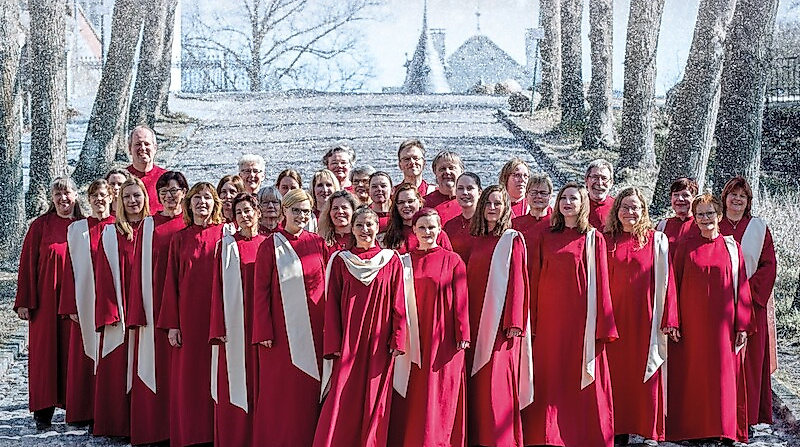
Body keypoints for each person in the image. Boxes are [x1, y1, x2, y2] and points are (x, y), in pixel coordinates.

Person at [522, 182, 617, 447]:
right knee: (549, 374)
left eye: (573, 198)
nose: (567, 202)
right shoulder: (546, 235)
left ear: (582, 203)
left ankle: (580, 434)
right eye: (563, 197)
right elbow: (535, 276)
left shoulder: (593, 238)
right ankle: (545, 434)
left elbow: (602, 282)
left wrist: (604, 324)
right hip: (551, 317)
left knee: (578, 374)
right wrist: (533, 317)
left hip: (581, 320)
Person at [312, 207, 407, 447]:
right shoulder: (341, 261)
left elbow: (399, 302)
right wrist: (332, 345)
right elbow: (331, 304)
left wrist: (397, 339)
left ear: (378, 227)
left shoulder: (391, 260)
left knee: (376, 396)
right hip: (348, 342)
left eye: (369, 224)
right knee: (342, 396)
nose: (365, 230)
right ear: (352, 230)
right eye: (359, 225)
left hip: (379, 341)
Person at [667, 193, 753, 445]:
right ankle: (692, 430)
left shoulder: (731, 247)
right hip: (691, 325)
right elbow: (673, 283)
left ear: (719, 215)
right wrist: (673, 319)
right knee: (692, 374)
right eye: (700, 214)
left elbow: (742, 288)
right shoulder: (685, 246)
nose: (705, 218)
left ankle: (724, 429)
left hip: (722, 325)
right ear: (695, 217)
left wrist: (743, 324)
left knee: (722, 376)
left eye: (710, 213)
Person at [252, 189, 329, 446]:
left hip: (316, 328)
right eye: (295, 210)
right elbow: (260, 291)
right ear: (284, 211)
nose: (301, 215)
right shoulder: (269, 245)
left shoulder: (317, 243)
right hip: (281, 332)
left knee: (310, 389)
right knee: (283, 392)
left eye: (306, 211)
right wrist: (263, 331)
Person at [388, 208, 470, 447]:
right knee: (413, 390)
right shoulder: (402, 262)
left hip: (442, 336)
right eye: (422, 227)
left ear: (440, 229)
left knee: (438, 391)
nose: (427, 232)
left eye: (432, 227)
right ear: (413, 230)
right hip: (412, 334)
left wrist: (462, 333)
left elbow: (461, 300)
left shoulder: (453, 260)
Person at [603, 187, 678, 446]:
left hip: (645, 318)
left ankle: (649, 430)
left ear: (643, 211)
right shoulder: (605, 240)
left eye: (635, 207)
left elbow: (668, 282)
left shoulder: (656, 240)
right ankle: (617, 428)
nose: (630, 212)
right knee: (615, 375)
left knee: (647, 371)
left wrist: (670, 318)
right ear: (617, 210)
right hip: (613, 319)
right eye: (625, 207)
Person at [157, 182, 225, 446]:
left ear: (215, 203)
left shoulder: (224, 234)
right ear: (189, 204)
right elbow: (170, 284)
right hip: (188, 320)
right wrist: (172, 324)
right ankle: (191, 435)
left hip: (218, 318)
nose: (202, 203)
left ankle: (215, 433)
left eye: (207, 198)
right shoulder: (180, 239)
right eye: (197, 198)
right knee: (189, 380)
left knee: (216, 376)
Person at [465, 185, 532, 447]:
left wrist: (514, 321)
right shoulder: (477, 238)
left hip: (501, 323)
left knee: (496, 381)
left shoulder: (512, 238)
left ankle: (499, 438)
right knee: (477, 381)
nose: (492, 208)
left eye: (498, 204)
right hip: (474, 317)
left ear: (506, 208)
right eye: (488, 203)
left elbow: (519, 280)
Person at [15, 176, 84, 430]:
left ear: (76, 196)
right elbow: (27, 264)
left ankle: (77, 407)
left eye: (67, 193)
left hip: (77, 303)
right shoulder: (40, 226)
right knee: (45, 355)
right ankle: (43, 410)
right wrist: (24, 301)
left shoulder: (84, 225)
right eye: (58, 194)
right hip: (46, 302)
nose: (63, 198)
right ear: (51, 198)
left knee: (74, 354)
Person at [126, 171, 189, 446]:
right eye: (164, 192)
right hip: (154, 310)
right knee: (155, 371)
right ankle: (156, 430)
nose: (169, 196)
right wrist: (137, 313)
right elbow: (138, 271)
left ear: (184, 192)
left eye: (174, 191)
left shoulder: (191, 222)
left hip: (186, 309)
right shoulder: (149, 226)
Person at [93, 177, 151, 437]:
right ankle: (118, 424)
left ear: (145, 198)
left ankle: (144, 423)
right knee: (118, 367)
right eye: (126, 196)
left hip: (148, 310)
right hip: (121, 309)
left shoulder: (153, 229)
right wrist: (110, 310)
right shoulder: (111, 233)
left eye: (136, 195)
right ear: (119, 201)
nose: (132, 201)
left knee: (145, 366)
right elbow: (103, 274)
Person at [719, 177, 777, 427]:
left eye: (742, 196)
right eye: (733, 194)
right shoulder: (713, 223)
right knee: (720, 363)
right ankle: (720, 417)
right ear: (725, 198)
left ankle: (747, 417)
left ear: (748, 201)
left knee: (749, 364)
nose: (737, 199)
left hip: (751, 306)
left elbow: (768, 266)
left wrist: (746, 292)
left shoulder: (758, 228)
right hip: (718, 306)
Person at [209, 193, 266, 447]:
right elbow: (217, 288)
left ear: (258, 212)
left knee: (262, 384)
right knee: (234, 383)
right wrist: (218, 325)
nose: (245, 215)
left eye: (249, 210)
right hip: (236, 325)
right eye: (239, 211)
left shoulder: (269, 243)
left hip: (262, 324)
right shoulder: (226, 246)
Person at [58, 179, 115, 426]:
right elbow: (69, 269)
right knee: (84, 356)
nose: (99, 200)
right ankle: (85, 410)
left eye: (103, 195)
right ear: (88, 200)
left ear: (111, 197)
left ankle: (109, 411)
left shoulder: (119, 226)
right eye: (94, 196)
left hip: (113, 302)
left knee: (112, 356)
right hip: (85, 301)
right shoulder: (77, 229)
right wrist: (70, 305)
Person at [383, 183, 452, 254]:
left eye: (410, 201)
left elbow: (449, 259)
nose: (406, 205)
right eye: (401, 202)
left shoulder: (435, 232)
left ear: (419, 202)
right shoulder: (390, 233)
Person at [126, 125, 167, 213]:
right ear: (130, 149)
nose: (143, 148)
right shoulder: (121, 179)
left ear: (155, 148)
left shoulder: (167, 178)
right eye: (138, 144)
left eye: (147, 144)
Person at [443, 172, 481, 264]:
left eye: (469, 188)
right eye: (460, 188)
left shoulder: (487, 224)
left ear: (480, 193)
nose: (464, 193)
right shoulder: (450, 226)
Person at [423, 150, 464, 225]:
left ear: (461, 171)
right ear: (435, 173)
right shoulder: (424, 203)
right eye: (442, 169)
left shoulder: (471, 201)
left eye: (451, 168)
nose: (447, 172)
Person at [655, 177, 701, 243]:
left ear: (694, 199)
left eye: (685, 195)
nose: (680, 199)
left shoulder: (702, 224)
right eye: (676, 195)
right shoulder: (662, 226)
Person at [512, 173, 553, 238]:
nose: (538, 196)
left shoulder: (557, 224)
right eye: (534, 192)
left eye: (543, 193)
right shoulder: (514, 225)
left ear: (550, 196)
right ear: (526, 195)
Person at [585, 158, 615, 229]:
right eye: (595, 177)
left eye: (604, 178)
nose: (599, 183)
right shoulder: (576, 206)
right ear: (586, 180)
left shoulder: (618, 207)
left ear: (611, 183)